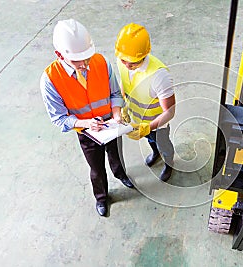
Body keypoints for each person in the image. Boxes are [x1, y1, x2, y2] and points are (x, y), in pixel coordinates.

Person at [40, 19, 134, 217]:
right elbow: (58, 118)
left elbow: (115, 94)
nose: (84, 65)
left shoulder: (101, 62)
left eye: (87, 58)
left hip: (111, 123)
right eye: (77, 61)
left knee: (116, 155)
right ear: (59, 55)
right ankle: (101, 197)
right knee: (96, 169)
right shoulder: (50, 80)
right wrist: (85, 124)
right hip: (86, 132)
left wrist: (116, 114)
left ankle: (121, 174)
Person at [115, 23, 175, 182]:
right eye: (123, 60)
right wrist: (123, 107)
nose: (127, 65)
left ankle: (169, 163)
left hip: (158, 123)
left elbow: (170, 111)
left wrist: (148, 127)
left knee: (163, 144)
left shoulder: (159, 76)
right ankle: (156, 152)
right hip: (138, 119)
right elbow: (124, 82)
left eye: (133, 62)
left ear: (144, 54)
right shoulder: (122, 61)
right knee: (150, 140)